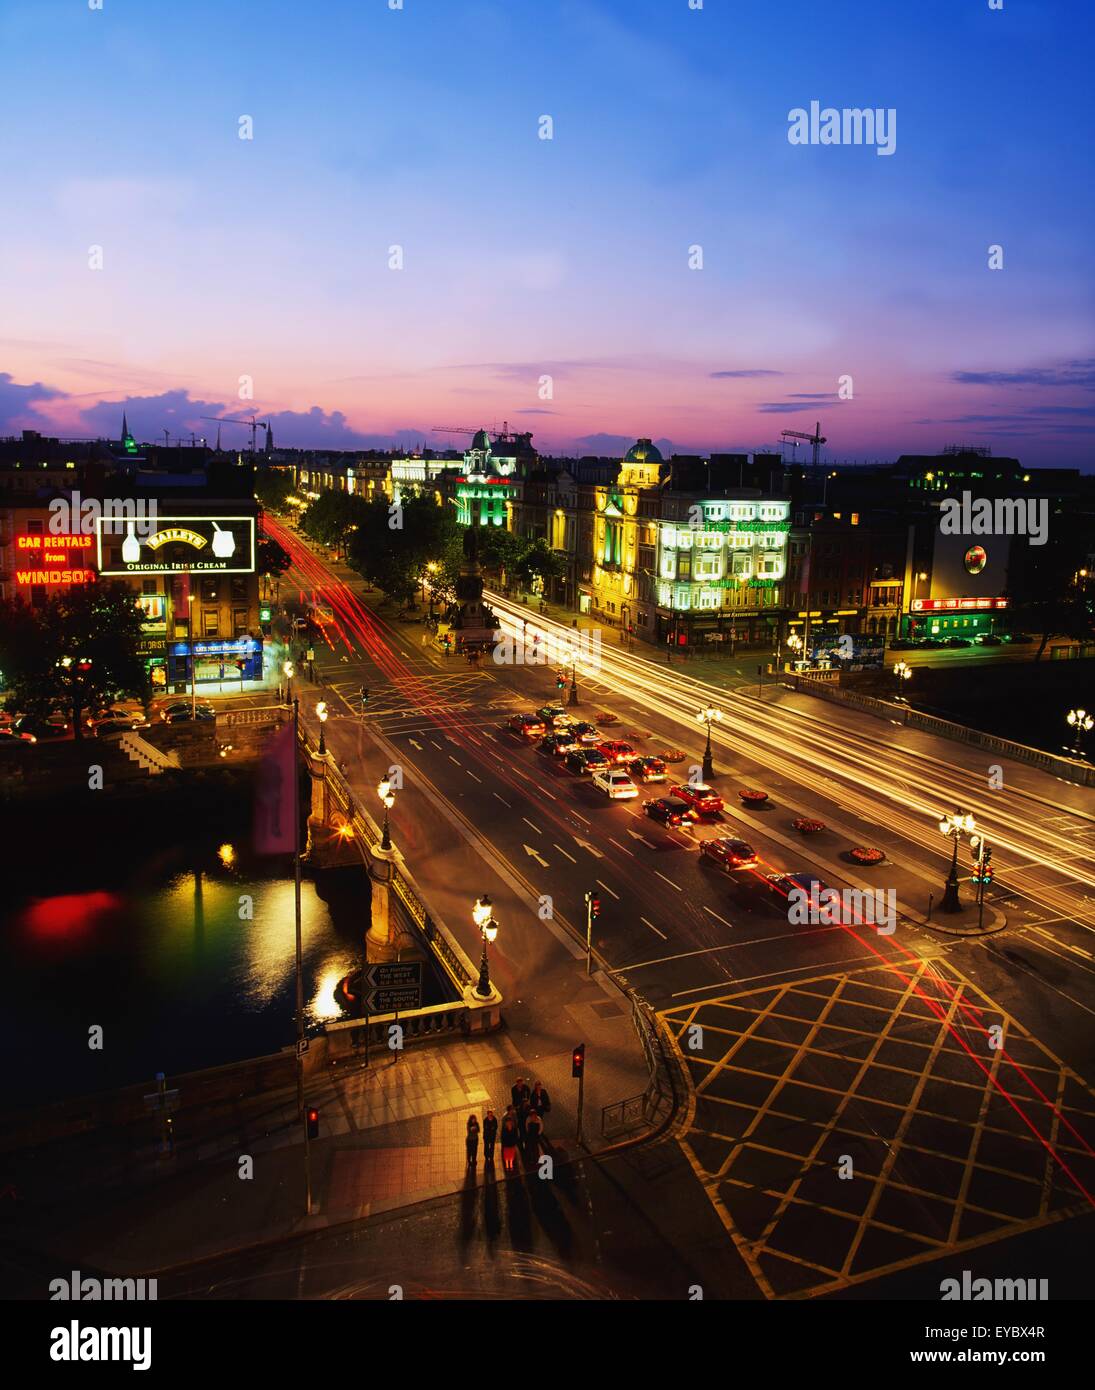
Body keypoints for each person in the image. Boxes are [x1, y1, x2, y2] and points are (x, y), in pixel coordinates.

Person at [500, 1106, 519, 1173]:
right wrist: (504, 1144)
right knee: (507, 1156)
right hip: (506, 1145)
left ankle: (510, 1166)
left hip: (511, 1144)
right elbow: (503, 1137)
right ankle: (507, 1166)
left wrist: (515, 1141)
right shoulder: (505, 1128)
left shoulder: (513, 1128)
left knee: (511, 1156)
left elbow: (515, 1135)